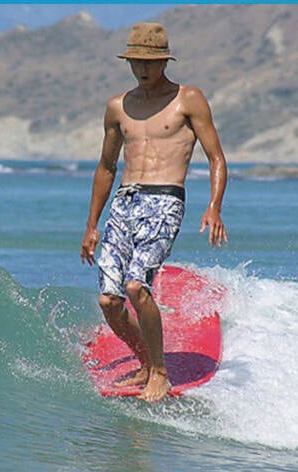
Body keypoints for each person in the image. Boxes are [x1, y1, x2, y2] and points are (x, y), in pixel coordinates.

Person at [80, 22, 229, 402]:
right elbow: (106, 167)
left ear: (164, 61)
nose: (143, 69)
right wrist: (92, 225)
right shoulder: (118, 106)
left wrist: (214, 207)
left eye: (150, 62)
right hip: (124, 202)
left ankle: (160, 372)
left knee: (136, 286)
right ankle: (145, 361)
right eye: (137, 62)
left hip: (165, 200)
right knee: (109, 300)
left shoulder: (188, 99)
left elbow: (216, 157)